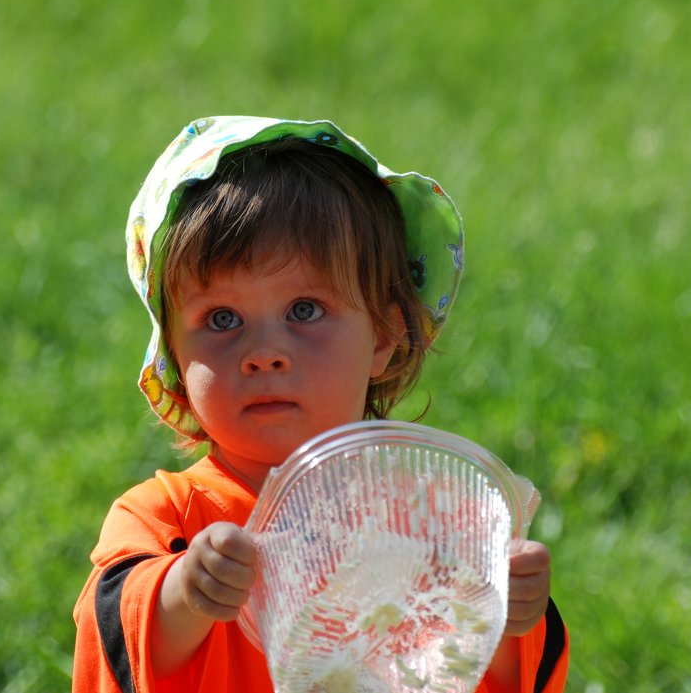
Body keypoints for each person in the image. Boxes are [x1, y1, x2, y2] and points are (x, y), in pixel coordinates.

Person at [72, 116, 569, 693]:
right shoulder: (168, 518)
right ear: (176, 361)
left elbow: (483, 675)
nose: (264, 354)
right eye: (222, 319)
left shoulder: (433, 520)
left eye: (305, 310)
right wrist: (185, 592)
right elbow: (117, 631)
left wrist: (510, 622)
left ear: (383, 335)